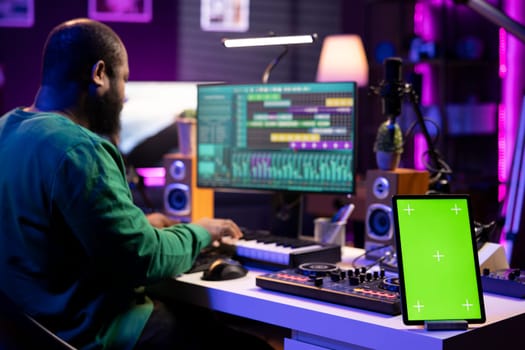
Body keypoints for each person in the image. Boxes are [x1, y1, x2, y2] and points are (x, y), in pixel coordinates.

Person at [0, 18, 275, 349]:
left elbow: (46, 230)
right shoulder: (78, 148)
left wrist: (140, 225)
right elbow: (142, 259)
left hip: (33, 333)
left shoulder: (7, 130)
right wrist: (201, 231)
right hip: (98, 334)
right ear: (99, 73)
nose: (124, 96)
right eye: (124, 80)